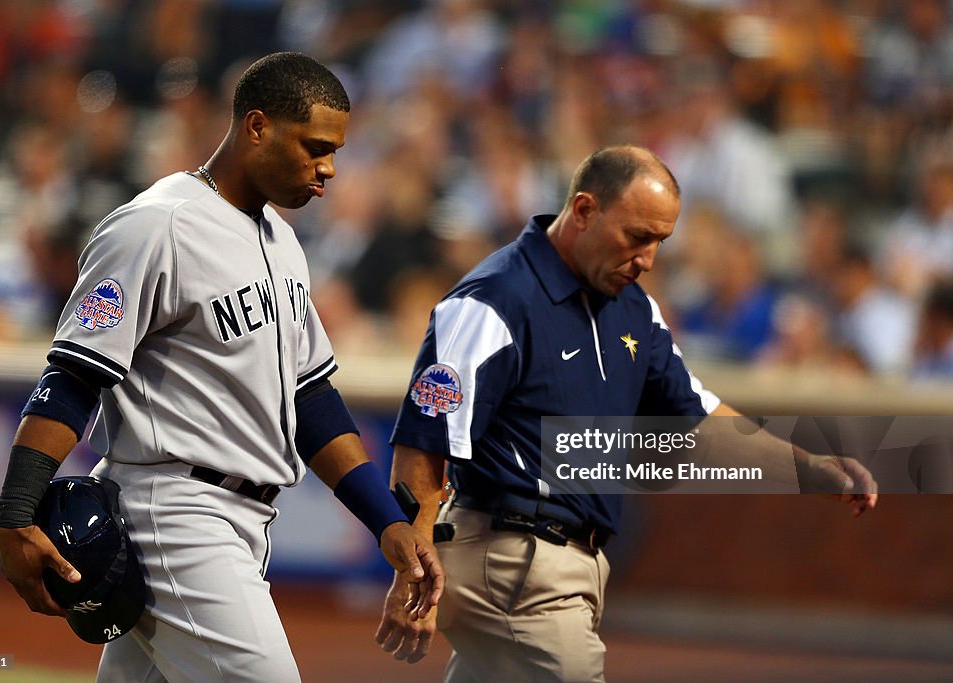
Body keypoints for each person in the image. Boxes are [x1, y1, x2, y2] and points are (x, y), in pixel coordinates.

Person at [0, 52, 443, 682]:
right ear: (256, 126)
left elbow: (309, 401)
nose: (329, 168)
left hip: (239, 518)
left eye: (335, 151)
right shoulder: (157, 225)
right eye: (315, 147)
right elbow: (73, 378)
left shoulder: (283, 242)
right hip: (173, 513)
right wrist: (15, 513)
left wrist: (387, 521)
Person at [374, 146, 877, 682]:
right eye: (637, 236)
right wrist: (414, 570)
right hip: (515, 562)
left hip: (559, 564)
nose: (648, 259)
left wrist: (808, 468)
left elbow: (702, 422)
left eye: (660, 241)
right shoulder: (493, 300)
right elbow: (423, 446)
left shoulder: (635, 307)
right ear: (585, 210)